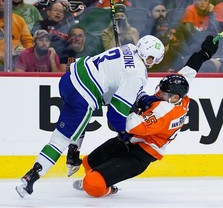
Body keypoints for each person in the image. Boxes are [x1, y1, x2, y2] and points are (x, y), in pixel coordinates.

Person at [15, 34, 165, 198]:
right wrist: (126, 134)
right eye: (151, 58)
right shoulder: (137, 75)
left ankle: (73, 154)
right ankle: (30, 178)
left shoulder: (128, 48)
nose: (152, 62)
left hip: (70, 79)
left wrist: (140, 97)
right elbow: (115, 116)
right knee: (59, 140)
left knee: (80, 121)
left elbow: (120, 79)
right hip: (83, 96)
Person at [72, 35, 219, 197]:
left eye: (162, 93)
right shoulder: (179, 95)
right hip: (131, 141)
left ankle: (109, 188)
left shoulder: (165, 112)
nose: (159, 93)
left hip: (140, 154)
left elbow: (129, 125)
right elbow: (190, 70)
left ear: (173, 98)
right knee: (88, 163)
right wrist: (204, 53)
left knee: (92, 184)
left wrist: (121, 95)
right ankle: (102, 175)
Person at [0, 0, 33, 69]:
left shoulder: (19, 20)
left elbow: (28, 42)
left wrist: (28, 58)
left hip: (16, 60)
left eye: (3, 1)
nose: (1, 4)